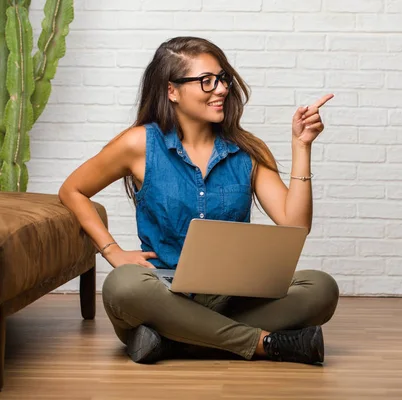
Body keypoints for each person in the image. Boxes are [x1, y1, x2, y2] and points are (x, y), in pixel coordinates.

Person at [58, 36, 339, 365]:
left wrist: (301, 147)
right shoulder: (139, 144)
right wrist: (112, 250)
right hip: (162, 292)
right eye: (206, 81)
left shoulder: (249, 150)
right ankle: (264, 343)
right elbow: (72, 190)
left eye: (222, 79)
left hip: (234, 295)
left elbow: (295, 225)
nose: (220, 89)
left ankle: (172, 339)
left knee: (321, 288)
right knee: (123, 287)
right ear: (172, 90)